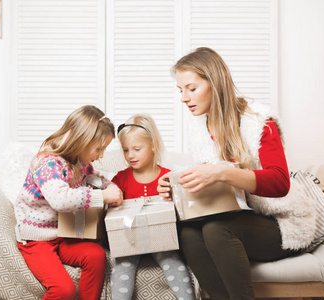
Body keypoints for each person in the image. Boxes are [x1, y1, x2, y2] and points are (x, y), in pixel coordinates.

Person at [157, 47, 318, 300]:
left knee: (215, 229)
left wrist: (220, 173)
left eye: (191, 88)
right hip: (239, 216)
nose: (184, 98)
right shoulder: (199, 127)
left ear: (214, 82)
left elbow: (279, 183)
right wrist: (177, 187)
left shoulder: (259, 121)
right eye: (180, 90)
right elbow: (213, 188)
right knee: (187, 232)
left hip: (281, 223)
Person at [14, 105, 123, 300]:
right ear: (81, 140)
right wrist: (103, 197)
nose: (101, 155)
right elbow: (60, 200)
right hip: (37, 239)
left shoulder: (79, 162)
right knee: (64, 290)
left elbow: (95, 178)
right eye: (99, 148)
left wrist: (111, 187)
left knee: (96, 255)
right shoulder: (47, 163)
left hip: (63, 235)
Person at [110, 114, 195, 300]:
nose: (130, 155)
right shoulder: (120, 179)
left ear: (153, 145)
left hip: (161, 238)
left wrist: (172, 194)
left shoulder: (167, 177)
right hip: (129, 239)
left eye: (137, 149)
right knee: (122, 265)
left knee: (172, 260)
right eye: (125, 150)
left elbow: (182, 209)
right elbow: (111, 209)